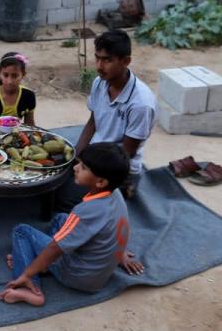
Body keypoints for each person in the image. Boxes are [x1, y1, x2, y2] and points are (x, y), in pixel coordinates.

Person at [0, 143, 144, 306]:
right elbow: (116, 226)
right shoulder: (115, 193)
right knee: (62, 218)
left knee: (22, 231)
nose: (75, 168)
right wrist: (119, 254)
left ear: (101, 182)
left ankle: (30, 287)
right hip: (100, 274)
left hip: (77, 276)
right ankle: (35, 260)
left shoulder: (86, 211)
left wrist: (28, 272)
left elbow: (55, 248)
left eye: (83, 167)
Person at [67, 29, 156, 203]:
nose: (99, 66)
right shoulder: (99, 83)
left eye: (107, 60)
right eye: (97, 58)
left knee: (68, 200)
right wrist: (76, 157)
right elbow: (92, 123)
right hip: (96, 155)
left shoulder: (141, 104)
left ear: (126, 61)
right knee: (59, 179)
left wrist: (88, 168)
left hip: (118, 168)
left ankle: (125, 189)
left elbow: (125, 154)